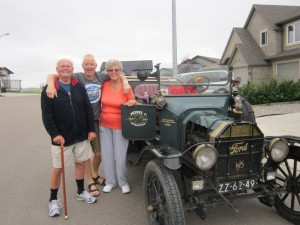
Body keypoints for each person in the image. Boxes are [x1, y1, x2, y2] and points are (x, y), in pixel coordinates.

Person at [46, 54, 131, 197]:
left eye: (92, 64)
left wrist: (126, 81)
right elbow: (56, 75)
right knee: (84, 154)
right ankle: (90, 181)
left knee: (98, 153)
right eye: (87, 64)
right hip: (81, 120)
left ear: (96, 66)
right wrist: (49, 84)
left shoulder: (101, 77)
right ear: (82, 66)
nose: (89, 67)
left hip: (97, 120)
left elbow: (116, 74)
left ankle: (95, 174)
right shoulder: (78, 76)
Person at [41, 58, 97, 217]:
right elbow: (47, 116)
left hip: (81, 136)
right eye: (62, 66)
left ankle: (80, 191)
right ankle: (53, 200)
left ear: (72, 69)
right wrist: (55, 134)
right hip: (61, 139)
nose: (65, 68)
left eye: (68, 66)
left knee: (80, 164)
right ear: (57, 69)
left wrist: (91, 129)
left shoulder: (78, 86)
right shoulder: (49, 89)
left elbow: (87, 109)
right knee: (58, 169)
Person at [100, 59, 137, 194]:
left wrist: (130, 103)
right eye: (111, 70)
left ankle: (123, 182)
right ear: (107, 71)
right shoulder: (104, 84)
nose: (114, 72)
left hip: (120, 124)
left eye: (117, 70)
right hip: (104, 124)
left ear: (120, 71)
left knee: (120, 155)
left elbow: (133, 100)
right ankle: (110, 181)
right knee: (107, 154)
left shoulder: (125, 86)